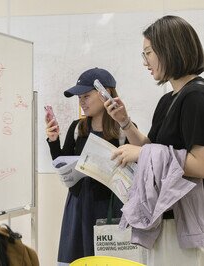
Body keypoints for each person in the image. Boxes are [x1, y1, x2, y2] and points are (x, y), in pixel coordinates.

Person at [104, 15, 204, 265]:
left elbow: (201, 165)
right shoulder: (168, 99)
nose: (145, 62)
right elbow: (153, 151)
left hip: (186, 224)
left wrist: (141, 154)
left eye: (148, 53)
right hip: (165, 219)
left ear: (169, 49)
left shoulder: (196, 97)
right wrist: (124, 122)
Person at [45, 67, 128, 264]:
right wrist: (53, 140)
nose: (81, 101)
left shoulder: (123, 131)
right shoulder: (77, 128)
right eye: (79, 97)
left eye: (86, 96)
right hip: (79, 205)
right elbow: (62, 162)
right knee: (76, 258)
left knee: (109, 259)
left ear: (105, 94)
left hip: (110, 207)